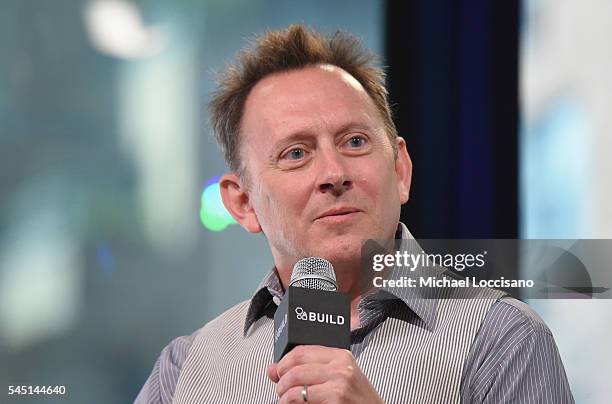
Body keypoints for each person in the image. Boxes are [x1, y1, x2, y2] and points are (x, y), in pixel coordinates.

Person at [135, 25, 573, 403]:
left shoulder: (503, 340)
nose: (333, 172)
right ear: (243, 203)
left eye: (355, 142)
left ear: (400, 170)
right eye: (296, 153)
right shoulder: (185, 370)